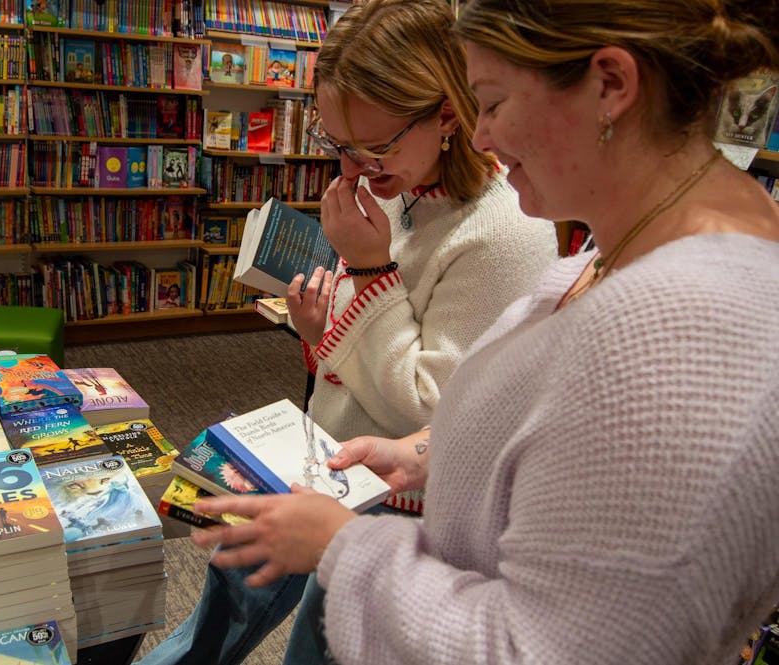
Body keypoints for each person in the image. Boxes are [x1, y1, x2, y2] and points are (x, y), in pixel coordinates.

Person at [189, 1, 779, 664]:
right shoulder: (642, 242)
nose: (481, 137)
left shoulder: (683, 334)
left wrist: (342, 546)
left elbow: (545, 649)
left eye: (492, 103)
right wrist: (428, 453)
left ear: (611, 85)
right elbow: (552, 428)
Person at [136, 1, 556, 663]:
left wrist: (368, 268)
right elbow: (359, 341)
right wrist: (315, 330)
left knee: (318, 643)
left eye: (374, 147)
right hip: (326, 448)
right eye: (337, 146)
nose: (354, 170)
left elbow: (433, 413)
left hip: (403, 503)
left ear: (447, 113)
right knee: (228, 581)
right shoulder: (401, 180)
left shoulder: (506, 233)